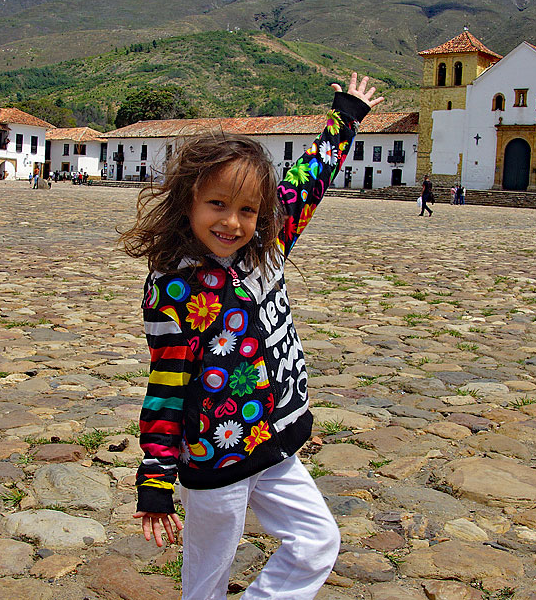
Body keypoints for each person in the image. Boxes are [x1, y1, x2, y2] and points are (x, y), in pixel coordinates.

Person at [120, 73, 383, 600]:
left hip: (276, 443)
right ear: (189, 201)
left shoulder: (269, 245)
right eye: (217, 204)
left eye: (247, 210)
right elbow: (168, 384)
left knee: (316, 543)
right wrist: (155, 477)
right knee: (206, 580)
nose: (232, 222)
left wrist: (345, 116)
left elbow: (307, 181)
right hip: (216, 453)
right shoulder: (175, 286)